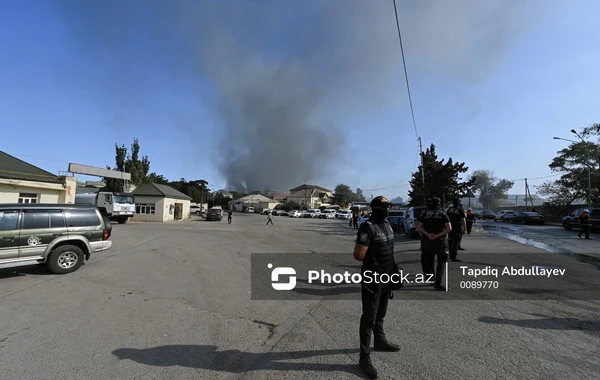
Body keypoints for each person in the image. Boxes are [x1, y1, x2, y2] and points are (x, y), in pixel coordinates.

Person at [353, 196, 400, 379]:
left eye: (387, 207)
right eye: (382, 207)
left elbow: (390, 250)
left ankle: (379, 341)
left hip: (387, 276)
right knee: (369, 318)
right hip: (373, 278)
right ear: (374, 208)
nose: (386, 209)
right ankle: (364, 356)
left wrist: (394, 271)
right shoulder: (367, 226)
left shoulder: (387, 225)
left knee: (381, 313)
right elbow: (358, 255)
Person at [417, 197, 452, 290]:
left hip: (428, 240)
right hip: (440, 240)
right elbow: (449, 228)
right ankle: (438, 283)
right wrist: (437, 235)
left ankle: (431, 279)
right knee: (442, 261)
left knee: (429, 261)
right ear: (439, 204)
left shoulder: (424, 214)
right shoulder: (442, 214)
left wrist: (428, 234)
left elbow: (419, 227)